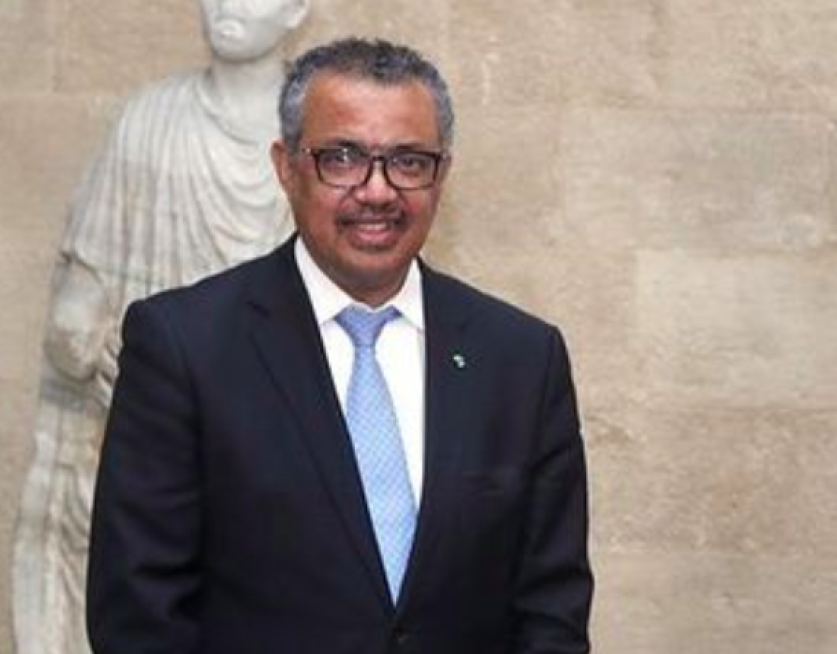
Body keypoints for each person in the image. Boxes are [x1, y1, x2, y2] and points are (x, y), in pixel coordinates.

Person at [86, 37, 593, 654]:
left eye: (409, 161)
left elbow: (551, 609)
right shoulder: (183, 346)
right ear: (285, 166)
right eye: (343, 158)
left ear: (441, 175)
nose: (377, 191)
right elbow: (139, 616)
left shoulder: (521, 359)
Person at [12, 2, 309, 654]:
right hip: (151, 428)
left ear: (298, 10)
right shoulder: (148, 120)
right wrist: (83, 337)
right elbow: (82, 297)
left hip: (279, 437)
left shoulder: (321, 143)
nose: (228, 4)